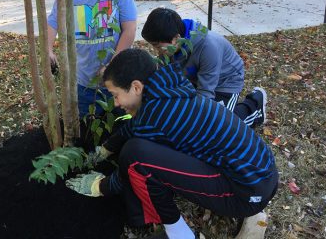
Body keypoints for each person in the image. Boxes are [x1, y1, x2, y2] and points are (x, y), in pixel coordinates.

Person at [66, 48, 278, 239]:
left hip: (245, 192)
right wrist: (106, 149)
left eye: (116, 95)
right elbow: (136, 126)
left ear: (136, 87)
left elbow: (131, 166)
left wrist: (101, 187)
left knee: (135, 155)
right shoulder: (167, 91)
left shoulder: (155, 117)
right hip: (262, 173)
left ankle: (179, 234)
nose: (116, 103)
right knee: (138, 148)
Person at [47, 0, 137, 123]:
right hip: (82, 80)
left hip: (117, 78)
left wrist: (112, 66)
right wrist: (47, 49)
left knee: (121, 125)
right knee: (88, 125)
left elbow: (129, 29)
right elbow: (53, 22)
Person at [141, 8, 266, 128]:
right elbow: (166, 79)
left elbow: (206, 93)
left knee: (219, 125)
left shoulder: (208, 47)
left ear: (176, 38)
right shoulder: (169, 46)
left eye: (157, 46)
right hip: (195, 79)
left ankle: (254, 106)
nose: (155, 51)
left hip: (226, 82)